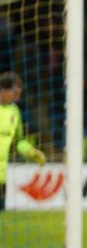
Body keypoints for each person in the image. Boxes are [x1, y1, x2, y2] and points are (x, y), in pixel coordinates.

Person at [0, 71, 47, 211]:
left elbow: (19, 141)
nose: (17, 98)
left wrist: (31, 152)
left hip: (1, 177)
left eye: (19, 94)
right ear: (3, 90)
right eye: (15, 93)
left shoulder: (14, 112)